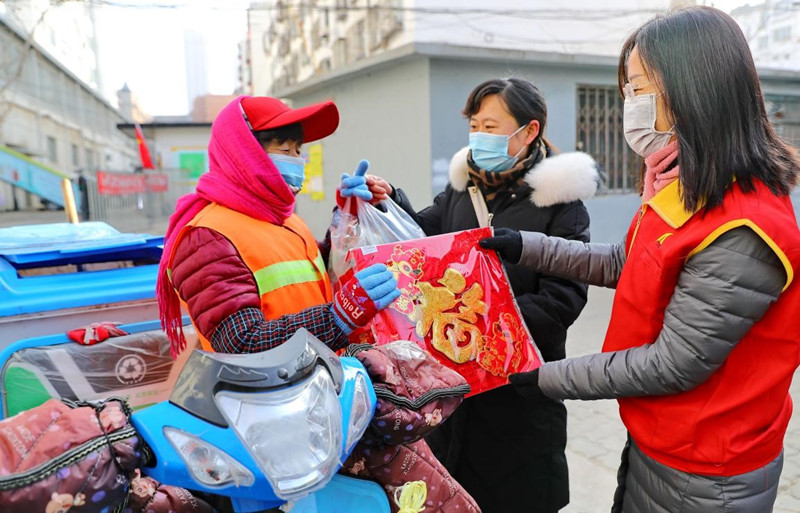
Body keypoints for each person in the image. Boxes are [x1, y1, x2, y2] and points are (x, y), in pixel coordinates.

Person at [480, 7, 800, 512]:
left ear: (696, 88)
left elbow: (673, 363)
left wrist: (542, 377)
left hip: (709, 472)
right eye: (627, 91)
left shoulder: (747, 225)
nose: (630, 104)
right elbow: (626, 263)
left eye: (640, 89)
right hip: (662, 441)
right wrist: (523, 244)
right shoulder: (687, 188)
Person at [343, 78, 602, 512]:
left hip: (520, 396)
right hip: (453, 393)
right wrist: (385, 202)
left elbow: (565, 300)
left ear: (529, 131)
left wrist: (485, 328)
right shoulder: (463, 190)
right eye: (475, 126)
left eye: (492, 126)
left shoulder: (562, 205)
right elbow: (420, 238)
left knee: (516, 497)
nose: (480, 136)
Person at [156, 95, 399, 356]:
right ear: (245, 153)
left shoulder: (286, 220)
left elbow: (319, 273)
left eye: (298, 151)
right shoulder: (206, 238)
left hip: (317, 382)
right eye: (285, 151)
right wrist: (338, 317)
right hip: (266, 394)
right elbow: (242, 343)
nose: (297, 160)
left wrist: (347, 216)